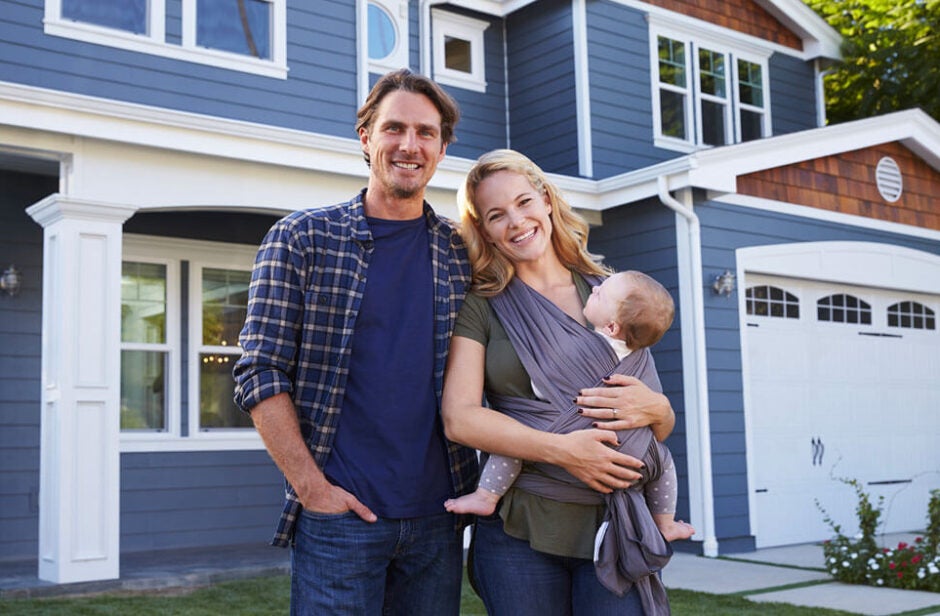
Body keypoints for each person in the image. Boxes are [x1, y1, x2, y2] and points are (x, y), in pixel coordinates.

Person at [232, 69, 479, 616]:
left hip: (438, 519)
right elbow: (259, 371)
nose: (409, 146)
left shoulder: (463, 254)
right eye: (394, 129)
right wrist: (312, 489)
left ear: (442, 148)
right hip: (339, 517)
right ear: (365, 137)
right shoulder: (301, 239)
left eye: (426, 132)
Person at [441, 149, 678, 615]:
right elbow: (459, 418)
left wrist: (663, 411)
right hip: (521, 529)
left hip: (614, 524)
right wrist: (564, 450)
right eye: (496, 215)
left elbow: (649, 425)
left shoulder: (611, 294)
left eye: (524, 201)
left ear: (547, 200)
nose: (516, 221)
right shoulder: (482, 305)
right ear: (484, 230)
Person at [444, 270, 695, 544]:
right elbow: (653, 415)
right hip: (632, 454)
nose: (595, 290)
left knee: (513, 442)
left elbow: (544, 384)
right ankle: (666, 523)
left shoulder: (580, 347)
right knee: (664, 462)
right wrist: (660, 409)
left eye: (600, 294)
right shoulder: (638, 356)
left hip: (572, 436)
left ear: (611, 327)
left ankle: (486, 496)